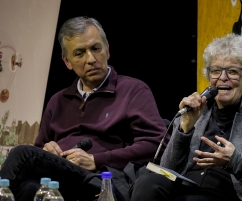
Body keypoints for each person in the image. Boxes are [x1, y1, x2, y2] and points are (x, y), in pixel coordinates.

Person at [0, 16, 169, 201]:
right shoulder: (58, 101)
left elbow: (158, 144)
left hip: (103, 180)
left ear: (107, 50)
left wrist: (96, 160)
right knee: (28, 188)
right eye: (80, 53)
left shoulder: (133, 91)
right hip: (60, 180)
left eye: (96, 49)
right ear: (67, 61)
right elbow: (39, 150)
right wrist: (47, 150)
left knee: (22, 153)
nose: (91, 59)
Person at [129, 33, 242, 201]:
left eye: (232, 71)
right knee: (146, 182)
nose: (222, 78)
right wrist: (184, 129)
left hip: (230, 193)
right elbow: (167, 169)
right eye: (215, 71)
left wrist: (235, 162)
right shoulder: (197, 108)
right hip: (185, 186)